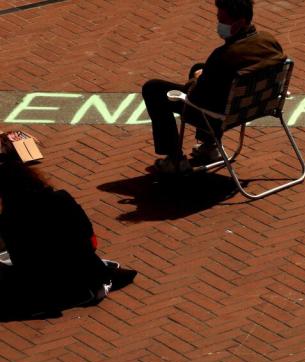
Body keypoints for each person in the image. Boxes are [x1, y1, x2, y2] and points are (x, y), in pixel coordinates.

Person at [141, 0, 285, 174]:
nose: (219, 25)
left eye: (223, 21)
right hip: (255, 105)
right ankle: (209, 146)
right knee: (199, 67)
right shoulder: (269, 40)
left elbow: (196, 96)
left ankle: (175, 159)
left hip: (220, 114)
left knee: (153, 89)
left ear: (240, 22)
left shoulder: (223, 56)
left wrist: (195, 80)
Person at [0, 153, 135, 319]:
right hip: (85, 274)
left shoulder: (10, 219)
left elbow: (23, 263)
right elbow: (91, 241)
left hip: (49, 284)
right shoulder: (62, 199)